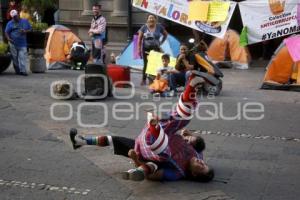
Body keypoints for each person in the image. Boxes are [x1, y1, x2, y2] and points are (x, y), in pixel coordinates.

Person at [70, 72, 216, 182]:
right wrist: (189, 135)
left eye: (201, 167)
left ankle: (154, 127)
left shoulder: (177, 173)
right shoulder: (198, 154)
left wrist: (135, 160)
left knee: (163, 152)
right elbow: (194, 138)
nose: (202, 162)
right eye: (205, 164)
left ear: (195, 174)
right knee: (184, 117)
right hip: (166, 131)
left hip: (149, 149)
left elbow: (153, 175)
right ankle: (80, 142)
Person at [138, 14, 168, 86]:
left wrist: (161, 42)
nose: (151, 19)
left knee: (155, 64)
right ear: (147, 19)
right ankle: (144, 79)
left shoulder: (159, 27)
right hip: (146, 48)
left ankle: (152, 79)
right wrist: (138, 49)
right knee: (146, 64)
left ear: (155, 19)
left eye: (153, 18)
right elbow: (139, 39)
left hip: (156, 48)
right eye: (150, 18)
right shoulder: (144, 27)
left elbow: (166, 34)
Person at [5, 9, 32, 76]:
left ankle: (23, 71)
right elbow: (6, 32)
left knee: (22, 57)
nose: (15, 17)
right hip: (13, 43)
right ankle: (17, 70)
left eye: (16, 16)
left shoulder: (25, 21)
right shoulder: (10, 23)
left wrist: (25, 31)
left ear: (18, 14)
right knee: (14, 58)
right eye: (13, 17)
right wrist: (9, 39)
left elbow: (30, 29)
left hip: (22, 43)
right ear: (12, 17)